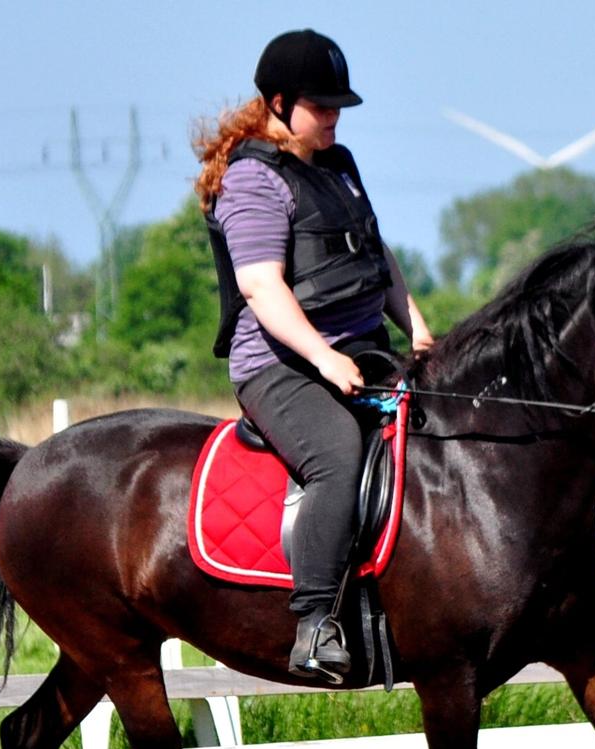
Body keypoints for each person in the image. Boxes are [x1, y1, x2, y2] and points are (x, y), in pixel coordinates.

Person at [194, 28, 433, 678]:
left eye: (337, 106)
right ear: (277, 103)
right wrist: (325, 360)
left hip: (362, 350)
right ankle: (315, 624)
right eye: (319, 106)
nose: (332, 117)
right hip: (282, 367)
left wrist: (416, 327)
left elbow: (376, 254)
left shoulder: (339, 165)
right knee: (336, 455)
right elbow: (261, 286)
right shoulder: (252, 180)